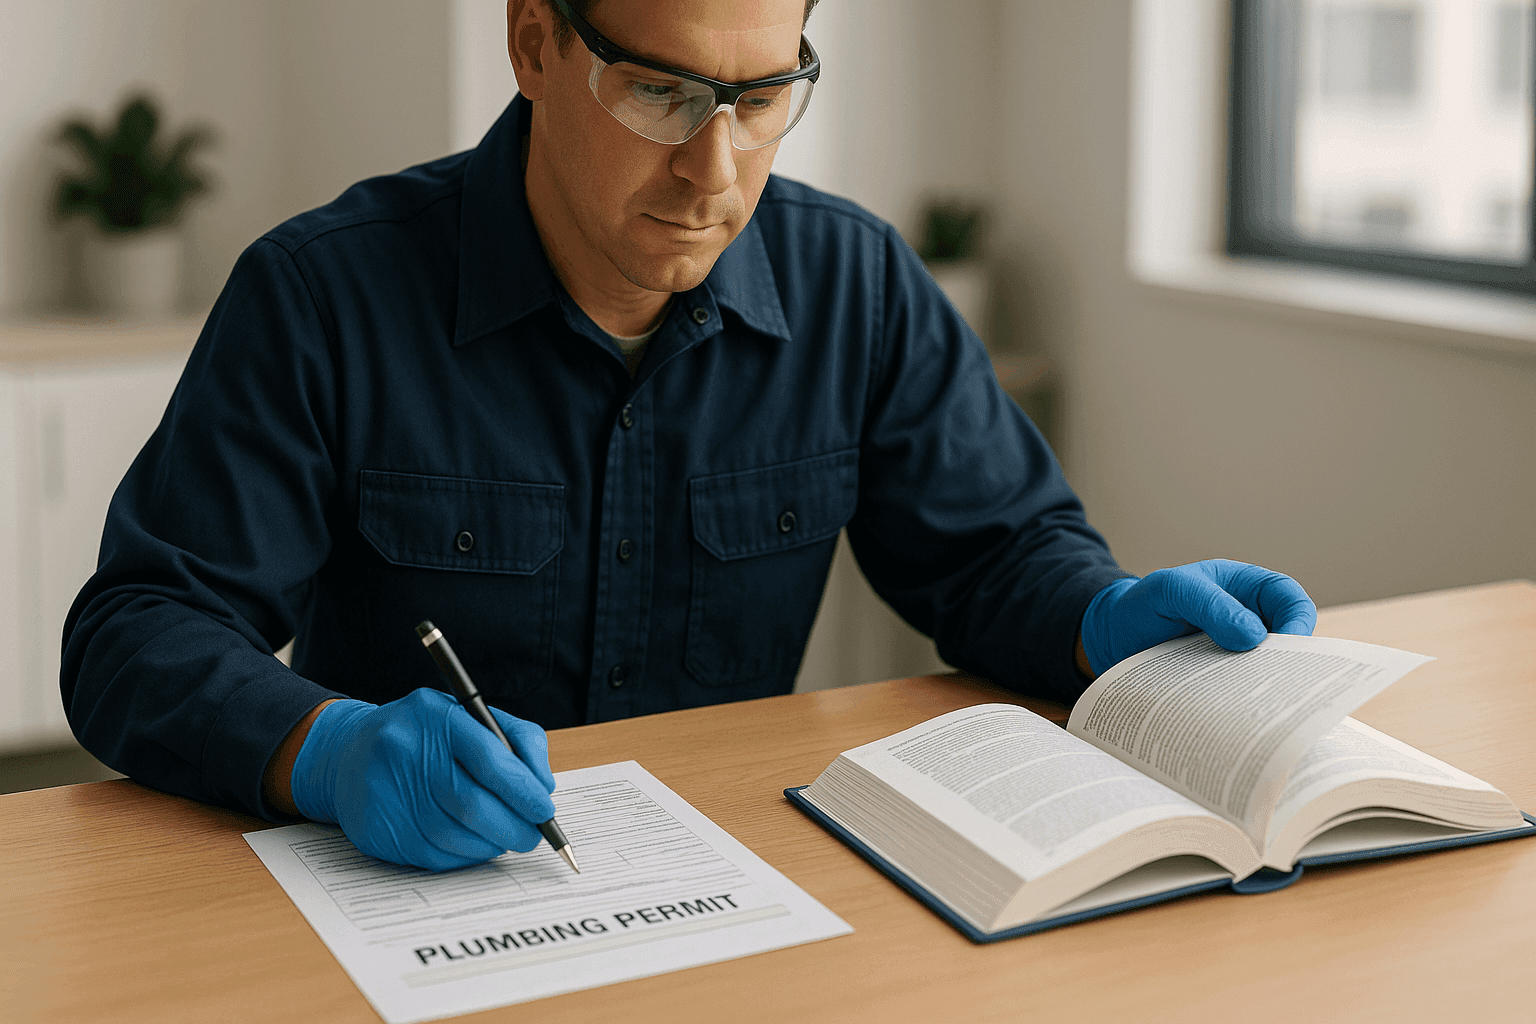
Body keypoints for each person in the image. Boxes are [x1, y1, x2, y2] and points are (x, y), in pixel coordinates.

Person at [61, 0, 1315, 872]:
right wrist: (322, 749)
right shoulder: (322, 296)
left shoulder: (857, 283)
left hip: (735, 890)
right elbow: (138, 632)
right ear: (534, 43)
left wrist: (1101, 613)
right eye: (661, 92)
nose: (713, 170)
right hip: (405, 909)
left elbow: (994, 555)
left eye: (761, 98)